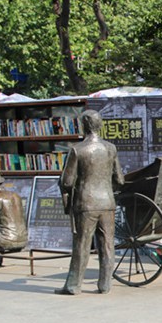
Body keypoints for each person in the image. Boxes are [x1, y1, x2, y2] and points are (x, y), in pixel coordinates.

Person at [56, 110, 124, 295]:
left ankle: (73, 285)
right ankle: (105, 284)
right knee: (107, 244)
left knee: (82, 244)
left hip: (86, 203)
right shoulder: (111, 148)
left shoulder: (77, 150)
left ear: (84, 125)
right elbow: (119, 179)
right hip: (107, 202)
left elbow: (67, 182)